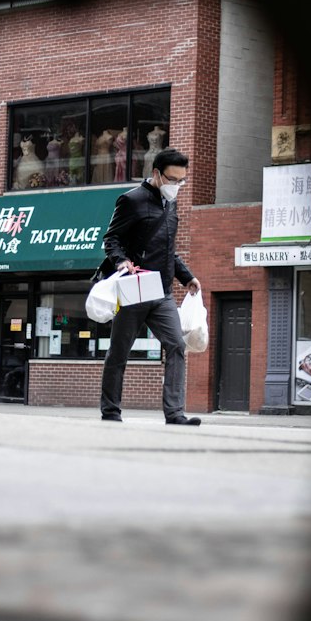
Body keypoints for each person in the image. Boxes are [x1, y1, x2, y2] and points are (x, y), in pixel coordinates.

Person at [98, 146, 203, 425]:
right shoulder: (131, 200)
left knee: (177, 345)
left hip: (162, 292)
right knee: (119, 351)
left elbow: (169, 250)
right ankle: (110, 411)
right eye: (173, 180)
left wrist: (187, 277)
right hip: (133, 287)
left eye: (182, 181)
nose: (177, 186)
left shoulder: (172, 204)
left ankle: (175, 413)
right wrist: (121, 261)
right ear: (156, 173)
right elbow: (111, 239)